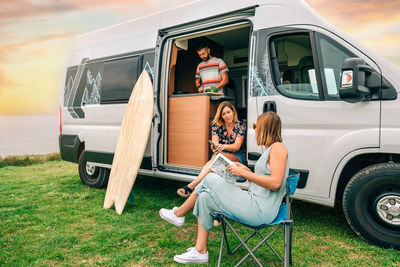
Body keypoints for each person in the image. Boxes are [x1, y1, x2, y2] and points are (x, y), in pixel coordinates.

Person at [159, 112, 289, 264]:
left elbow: (275, 183)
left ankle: (179, 213)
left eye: (257, 127)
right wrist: (245, 171)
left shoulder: (278, 148)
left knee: (210, 178)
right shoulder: (270, 150)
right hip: (254, 202)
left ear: (266, 128)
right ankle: (200, 251)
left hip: (259, 209)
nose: (254, 131)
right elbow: (266, 179)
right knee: (205, 197)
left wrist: (243, 173)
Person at [176, 101, 246, 198]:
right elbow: (214, 144)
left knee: (214, 161)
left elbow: (237, 146)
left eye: (228, 112)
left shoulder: (240, 126)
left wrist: (224, 146)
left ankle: (192, 186)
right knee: (213, 164)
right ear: (221, 116)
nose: (227, 116)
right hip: (219, 154)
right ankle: (196, 187)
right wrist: (214, 148)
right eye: (224, 114)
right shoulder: (216, 125)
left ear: (233, 112)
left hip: (236, 156)